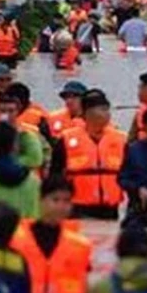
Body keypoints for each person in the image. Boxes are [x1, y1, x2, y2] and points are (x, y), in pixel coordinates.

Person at [10, 176, 93, 293]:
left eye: (67, 201)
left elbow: (86, 292)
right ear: (41, 201)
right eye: (55, 200)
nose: (61, 207)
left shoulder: (80, 245)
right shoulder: (16, 241)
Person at [62, 90, 128, 221]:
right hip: (77, 208)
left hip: (110, 209)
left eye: (108, 109)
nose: (107, 114)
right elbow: (55, 174)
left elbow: (130, 172)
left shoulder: (120, 139)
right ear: (87, 113)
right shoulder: (67, 139)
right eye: (103, 110)